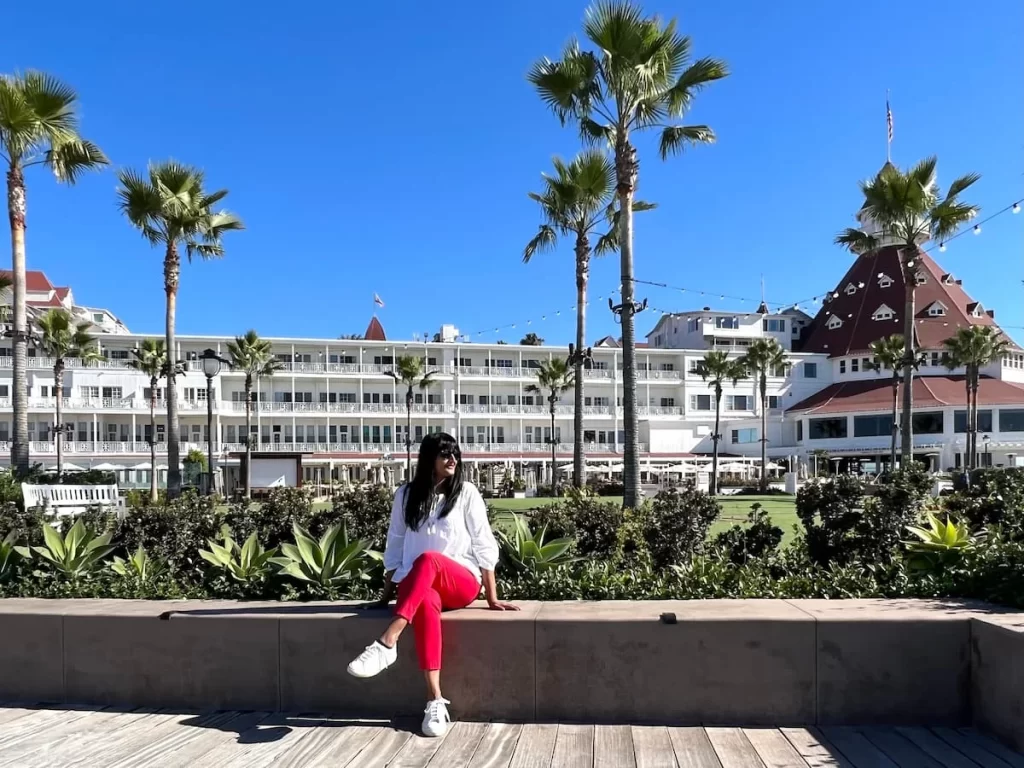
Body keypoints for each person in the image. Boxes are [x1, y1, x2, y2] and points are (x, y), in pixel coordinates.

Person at [346, 432, 518, 737]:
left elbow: (483, 544)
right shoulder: (406, 494)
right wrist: (385, 594)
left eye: (455, 454)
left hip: (461, 582)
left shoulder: (465, 492)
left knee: (429, 559)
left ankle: (388, 642)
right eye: (444, 454)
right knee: (424, 601)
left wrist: (492, 597)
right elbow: (395, 545)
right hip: (419, 587)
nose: (452, 459)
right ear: (429, 459)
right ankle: (435, 701)